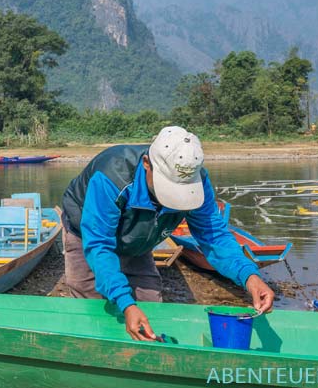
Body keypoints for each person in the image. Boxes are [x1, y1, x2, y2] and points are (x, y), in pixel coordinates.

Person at [61, 126, 274, 342]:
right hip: (88, 235)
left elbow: (214, 235)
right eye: (168, 187)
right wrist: (126, 303)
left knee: (151, 309)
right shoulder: (111, 176)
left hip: (139, 241)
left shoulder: (196, 179)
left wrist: (250, 276)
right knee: (94, 311)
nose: (173, 197)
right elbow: (99, 245)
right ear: (147, 164)